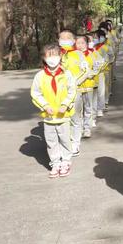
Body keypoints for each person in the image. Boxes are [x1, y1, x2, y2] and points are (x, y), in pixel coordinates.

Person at [31, 44, 76, 178]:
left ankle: (66, 161)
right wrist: (44, 106)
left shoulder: (67, 74)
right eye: (49, 56)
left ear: (60, 56)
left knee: (65, 139)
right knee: (51, 141)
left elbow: (72, 91)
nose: (52, 59)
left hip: (64, 115)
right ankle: (55, 162)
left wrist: (65, 104)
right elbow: (35, 93)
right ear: (44, 58)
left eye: (55, 55)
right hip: (49, 117)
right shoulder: (40, 76)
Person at [58, 30, 88, 156]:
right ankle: (64, 143)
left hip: (75, 92)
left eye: (67, 38)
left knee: (75, 119)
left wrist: (75, 83)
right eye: (62, 38)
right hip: (59, 94)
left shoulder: (79, 54)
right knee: (63, 119)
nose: (64, 40)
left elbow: (86, 71)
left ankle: (75, 144)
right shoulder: (56, 54)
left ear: (73, 40)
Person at [75, 35, 98, 138]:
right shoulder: (72, 55)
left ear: (86, 44)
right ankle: (78, 128)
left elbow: (99, 65)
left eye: (82, 43)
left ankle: (87, 128)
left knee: (88, 107)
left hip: (89, 84)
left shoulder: (92, 53)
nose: (80, 45)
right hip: (77, 86)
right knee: (77, 109)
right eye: (78, 43)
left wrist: (92, 73)